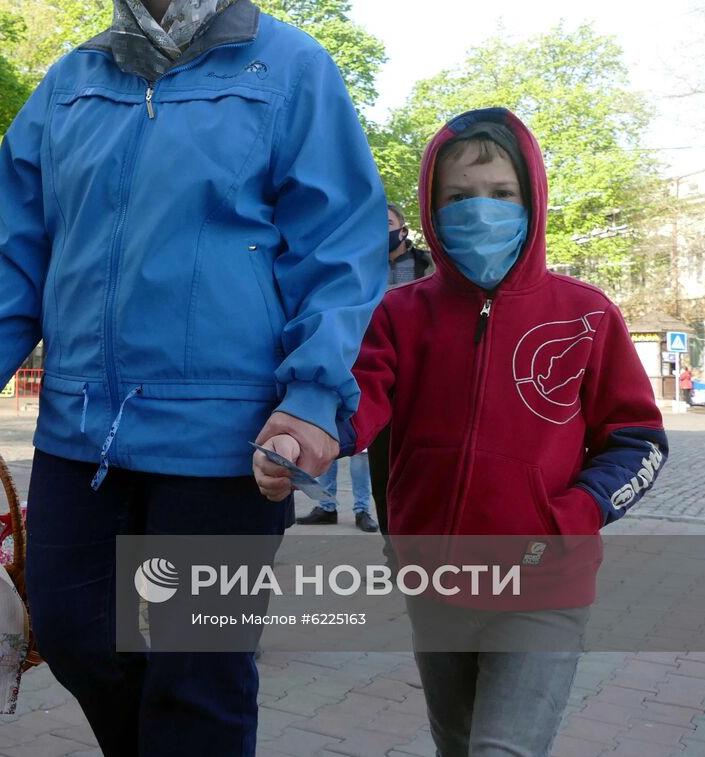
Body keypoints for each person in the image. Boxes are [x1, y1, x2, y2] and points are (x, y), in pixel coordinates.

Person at [0, 0, 386, 754]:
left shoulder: (289, 69)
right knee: (70, 630)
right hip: (81, 431)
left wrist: (311, 399)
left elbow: (339, 247)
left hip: (227, 441)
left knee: (197, 671)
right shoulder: (70, 83)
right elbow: (19, 244)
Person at [256, 107, 668, 757]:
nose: (481, 211)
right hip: (436, 586)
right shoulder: (398, 312)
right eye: (458, 197)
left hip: (545, 581)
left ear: (532, 199)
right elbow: (354, 402)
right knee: (457, 745)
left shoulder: (587, 315)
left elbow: (639, 438)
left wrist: (571, 516)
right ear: (430, 206)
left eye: (502, 194)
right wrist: (300, 439)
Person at [300, 202, 432, 529]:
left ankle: (363, 511)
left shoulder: (425, 266)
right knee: (349, 442)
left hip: (414, 378)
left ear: (403, 231)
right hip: (361, 370)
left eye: (387, 223)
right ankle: (330, 507)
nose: (380, 230)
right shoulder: (359, 267)